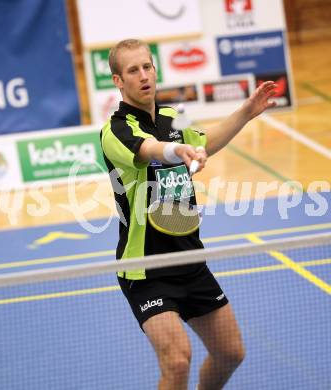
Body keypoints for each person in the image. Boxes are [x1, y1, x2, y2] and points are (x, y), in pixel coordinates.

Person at [100, 38, 277, 390]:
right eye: (132, 70)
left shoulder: (170, 119)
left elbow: (204, 143)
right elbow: (149, 149)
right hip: (146, 267)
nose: (143, 75)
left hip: (190, 259)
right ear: (119, 81)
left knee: (231, 353)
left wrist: (246, 111)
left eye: (147, 66)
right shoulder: (116, 131)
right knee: (177, 361)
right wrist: (176, 150)